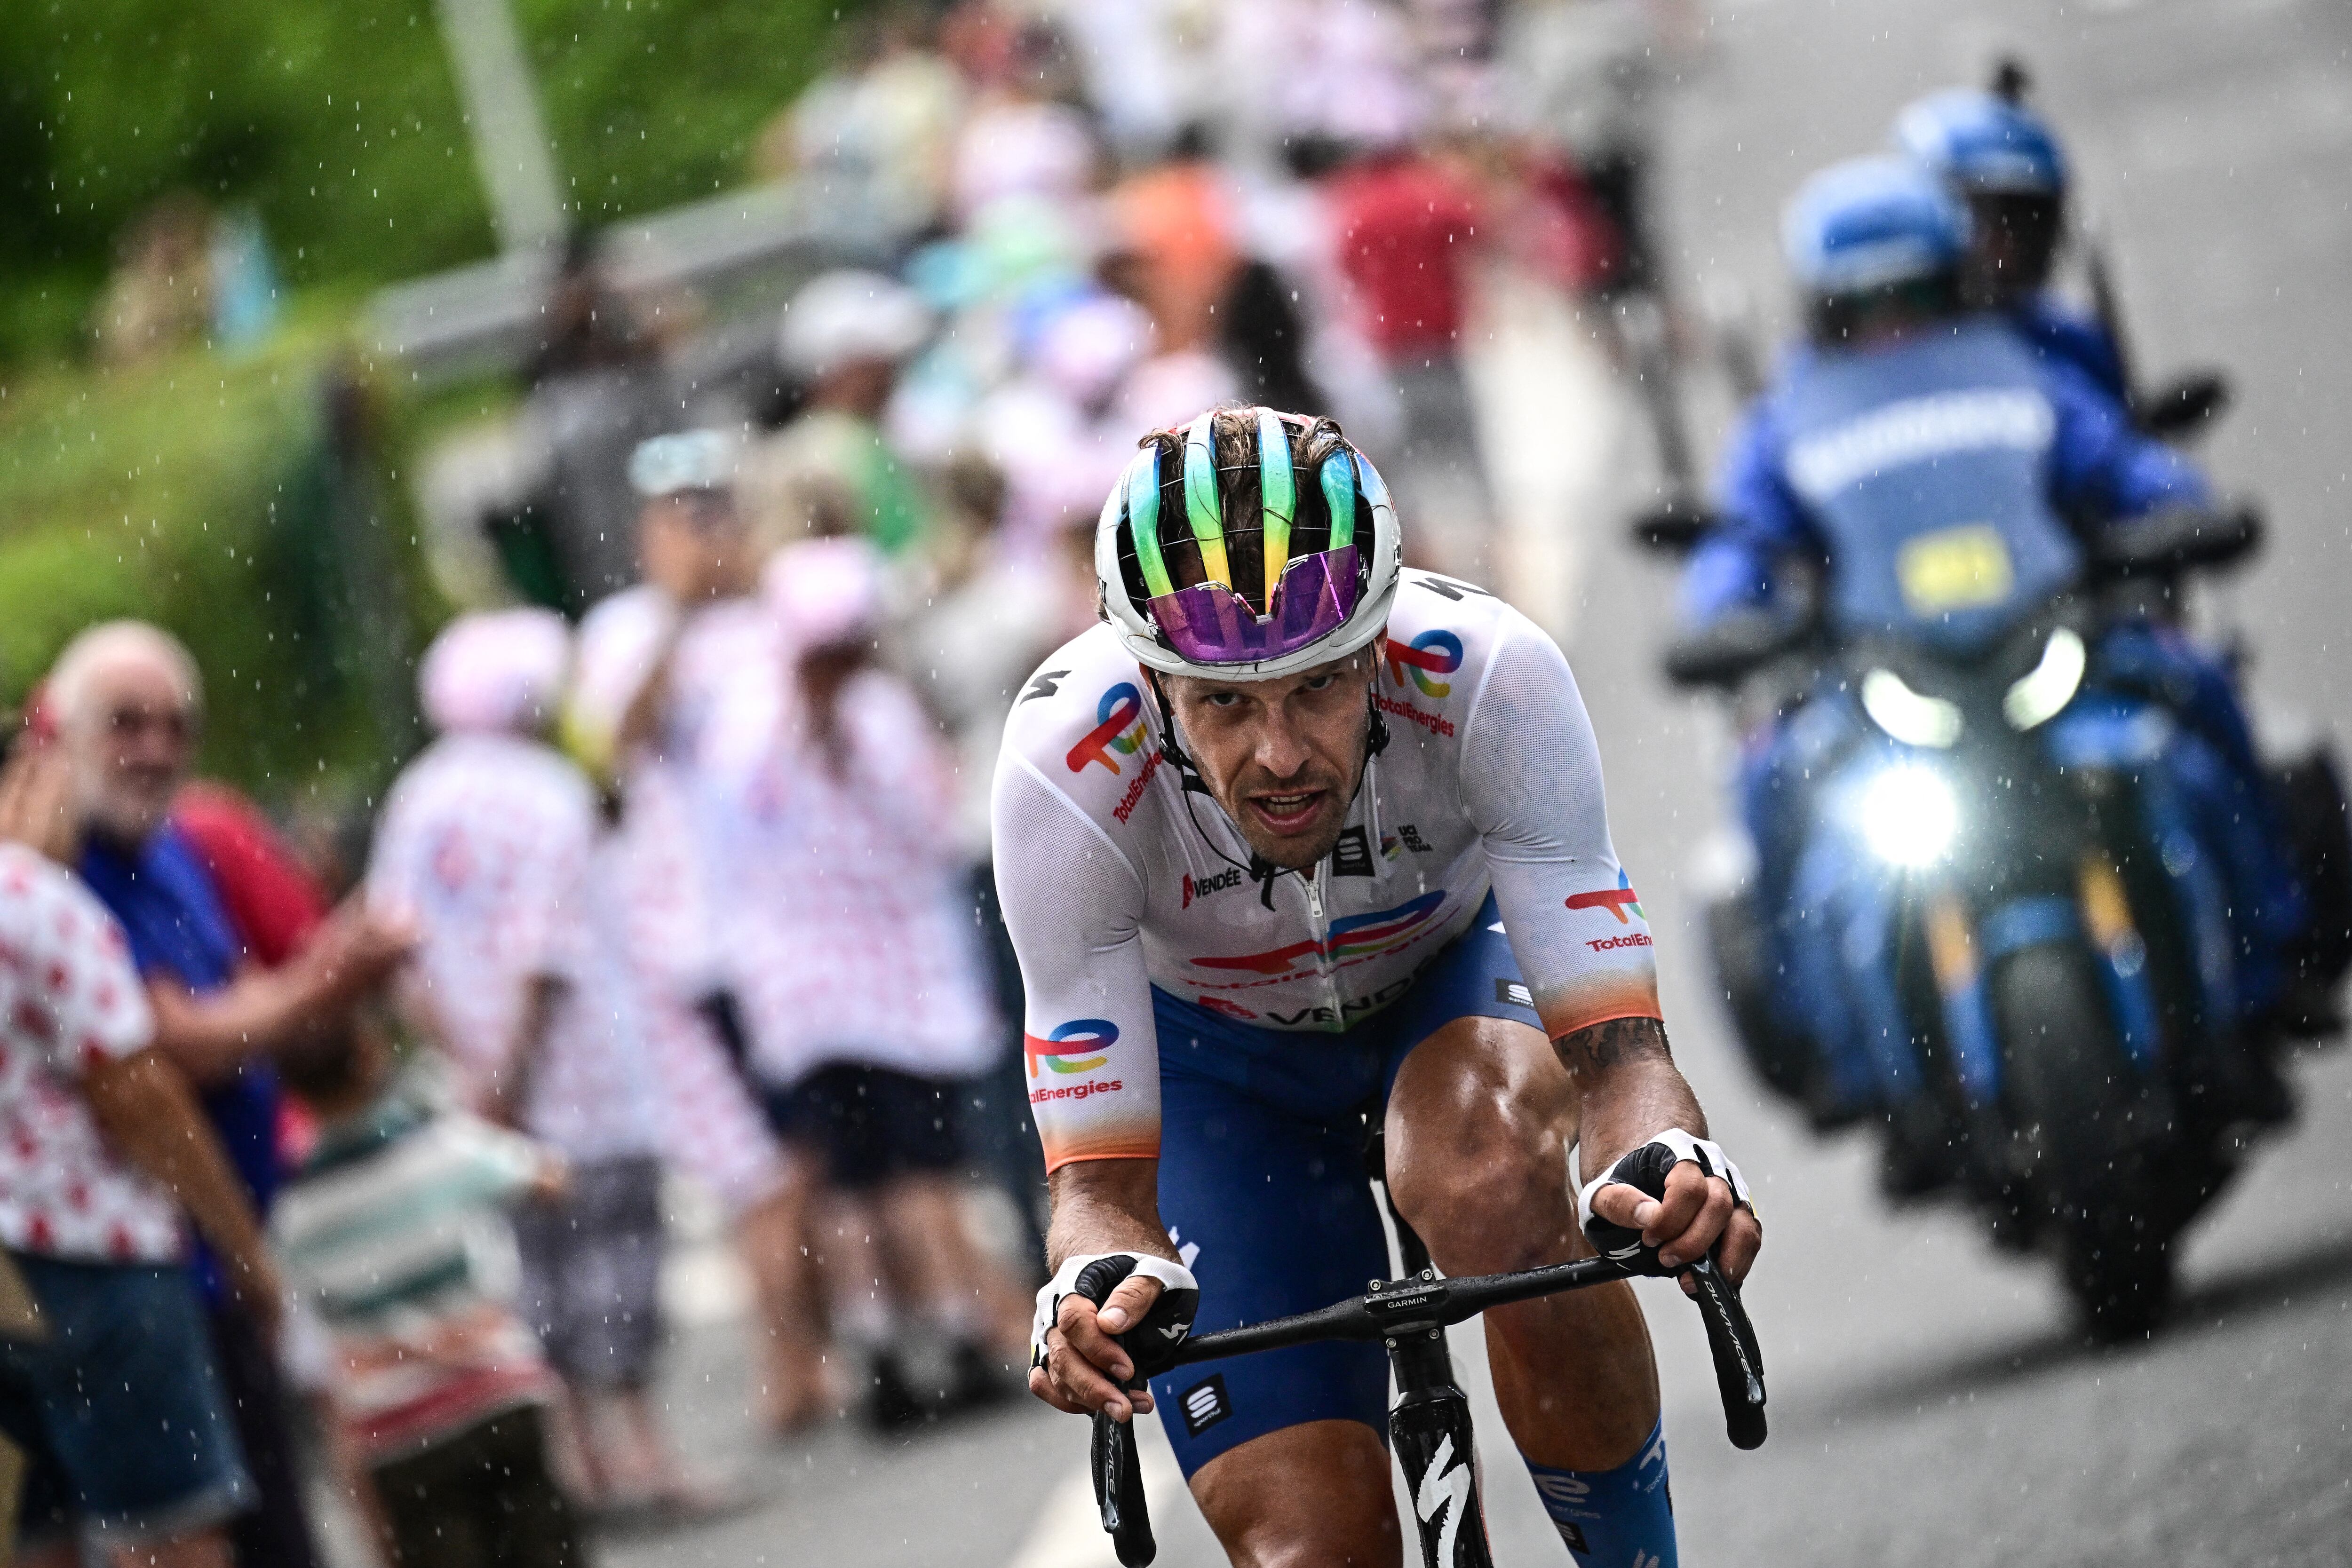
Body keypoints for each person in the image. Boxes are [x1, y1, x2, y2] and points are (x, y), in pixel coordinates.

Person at [1002, 405, 1759, 1566]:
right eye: (1224, 705)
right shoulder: (1061, 769)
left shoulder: (1490, 674)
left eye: (1315, 687)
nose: (1281, 752)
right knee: (1317, 1547)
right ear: (1152, 686)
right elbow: (1099, 1190)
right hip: (1217, 1068)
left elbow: (1622, 1062)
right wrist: (1091, 1279)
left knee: (1476, 1166)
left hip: (1449, 980)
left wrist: (1666, 1160)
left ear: (1373, 645)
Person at [1678, 158, 2298, 1139]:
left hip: (2052, 650)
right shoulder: (1783, 421)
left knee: (2198, 707)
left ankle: (2274, 960)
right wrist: (1720, 617)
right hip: (1877, 682)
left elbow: (2124, 465)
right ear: (1821, 305)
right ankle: (1840, 1061)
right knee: (1771, 795)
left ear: (1951, 279)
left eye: (1912, 292)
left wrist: (2178, 511)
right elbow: (1739, 547)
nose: (1892, 321)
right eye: (1863, 302)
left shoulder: (2017, 367)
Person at [46, 619, 411, 1568]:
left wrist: (306, 983)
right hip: (148, 1270)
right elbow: (163, 1056)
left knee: (267, 1521)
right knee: (202, 1535)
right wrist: (323, 984)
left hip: (210, 1261)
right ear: (63, 732)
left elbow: (227, 993)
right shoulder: (59, 878)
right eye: (126, 722)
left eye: (176, 725)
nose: (155, 748)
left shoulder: (170, 849)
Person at [366, 610, 694, 1513]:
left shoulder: (418, 795)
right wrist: (510, 1065)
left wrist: (468, 1065)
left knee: (536, 1281)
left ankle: (578, 1465)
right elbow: (542, 952)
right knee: (619, 1267)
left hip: (478, 1091)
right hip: (584, 1081)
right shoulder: (550, 788)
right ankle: (646, 1458)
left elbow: (392, 944)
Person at [707, 537, 1017, 1431]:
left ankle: (879, 1347)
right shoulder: (880, 712)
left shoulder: (744, 721)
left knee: (847, 1184)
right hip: (898, 990)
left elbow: (721, 848)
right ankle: (959, 1332)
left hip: (795, 995)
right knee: (924, 1170)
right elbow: (932, 827)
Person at [567, 431, 826, 1434]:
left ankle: (821, 1352)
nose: (705, 531)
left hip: (795, 929)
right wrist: (678, 606)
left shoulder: (777, 616)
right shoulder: (625, 630)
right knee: (757, 1169)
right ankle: (787, 1360)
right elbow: (612, 748)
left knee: (813, 1160)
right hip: (689, 944)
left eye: (717, 508)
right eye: (684, 514)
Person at [0, 836, 280, 1568]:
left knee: (33, 1539)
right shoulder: (30, 899)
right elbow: (135, 1089)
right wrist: (245, 1252)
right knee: (172, 1539)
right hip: (91, 1258)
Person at [271, 1022, 583, 1568]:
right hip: (495, 1394)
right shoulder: (442, 1146)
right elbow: (550, 1179)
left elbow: (296, 1308)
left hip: (398, 1429)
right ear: (371, 1055)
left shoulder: (296, 1209)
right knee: (541, 1546)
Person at [1891, 87, 2129, 404]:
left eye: (2024, 227)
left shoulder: (2065, 339)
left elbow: (2098, 433)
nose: (2004, 251)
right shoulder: (1867, 352)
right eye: (1981, 226)